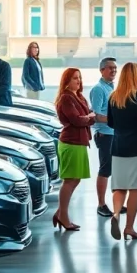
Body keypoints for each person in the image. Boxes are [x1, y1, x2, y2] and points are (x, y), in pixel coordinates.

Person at [106, 62, 137, 241]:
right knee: (134, 188)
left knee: (119, 186)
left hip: (118, 148)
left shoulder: (113, 97)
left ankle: (116, 214)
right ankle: (129, 228)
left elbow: (111, 123)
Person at [54, 68, 96, 232]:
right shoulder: (66, 98)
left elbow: (87, 118)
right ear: (66, 81)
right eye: (74, 78)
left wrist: (87, 118)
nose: (78, 81)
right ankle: (63, 216)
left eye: (79, 78)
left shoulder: (79, 96)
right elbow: (77, 120)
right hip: (71, 142)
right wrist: (88, 118)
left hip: (79, 142)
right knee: (70, 180)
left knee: (75, 179)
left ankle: (60, 213)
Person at [90, 57, 123, 218]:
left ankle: (117, 203)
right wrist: (114, 120)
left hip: (115, 134)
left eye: (115, 68)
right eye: (110, 68)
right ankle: (101, 204)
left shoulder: (113, 88)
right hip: (105, 135)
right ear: (102, 70)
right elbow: (95, 115)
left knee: (116, 169)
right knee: (105, 170)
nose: (113, 71)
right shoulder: (98, 89)